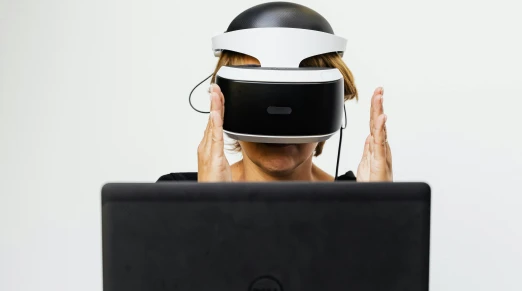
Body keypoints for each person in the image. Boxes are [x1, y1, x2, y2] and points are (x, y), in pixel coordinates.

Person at [159, 49, 393, 184]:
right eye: (259, 98)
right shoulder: (173, 193)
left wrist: (378, 213)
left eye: (298, 100)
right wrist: (208, 205)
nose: (279, 124)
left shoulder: (360, 196)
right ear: (223, 104)